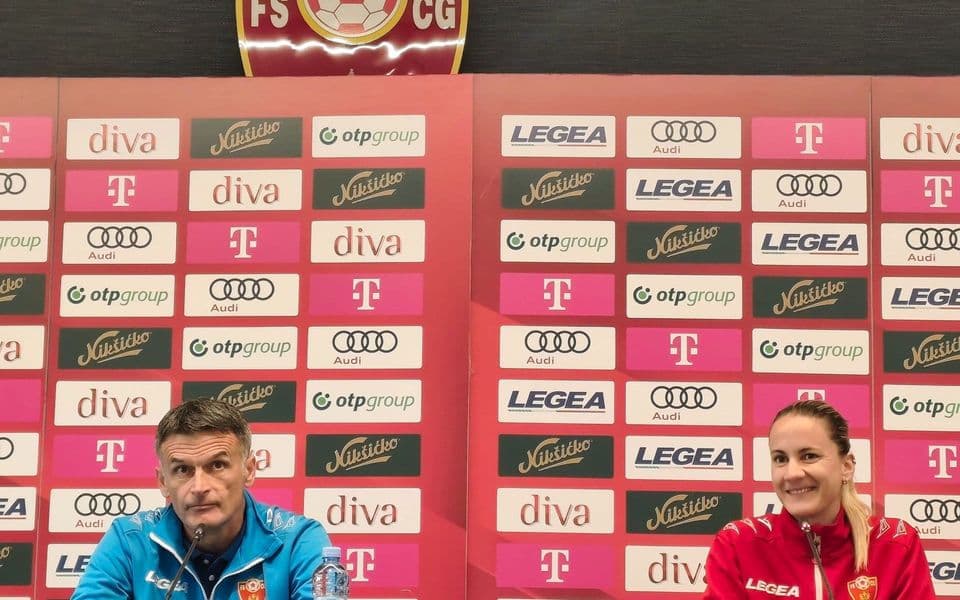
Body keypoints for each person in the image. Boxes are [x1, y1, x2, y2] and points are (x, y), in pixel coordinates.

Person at [71, 397, 333, 599]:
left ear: (249, 470)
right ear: (163, 482)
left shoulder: (297, 540)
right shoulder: (130, 539)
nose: (199, 487)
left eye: (217, 466)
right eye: (182, 470)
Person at [703, 399, 935, 599]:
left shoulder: (895, 544)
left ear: (846, 466)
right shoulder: (738, 544)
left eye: (809, 456)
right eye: (780, 459)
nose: (792, 473)